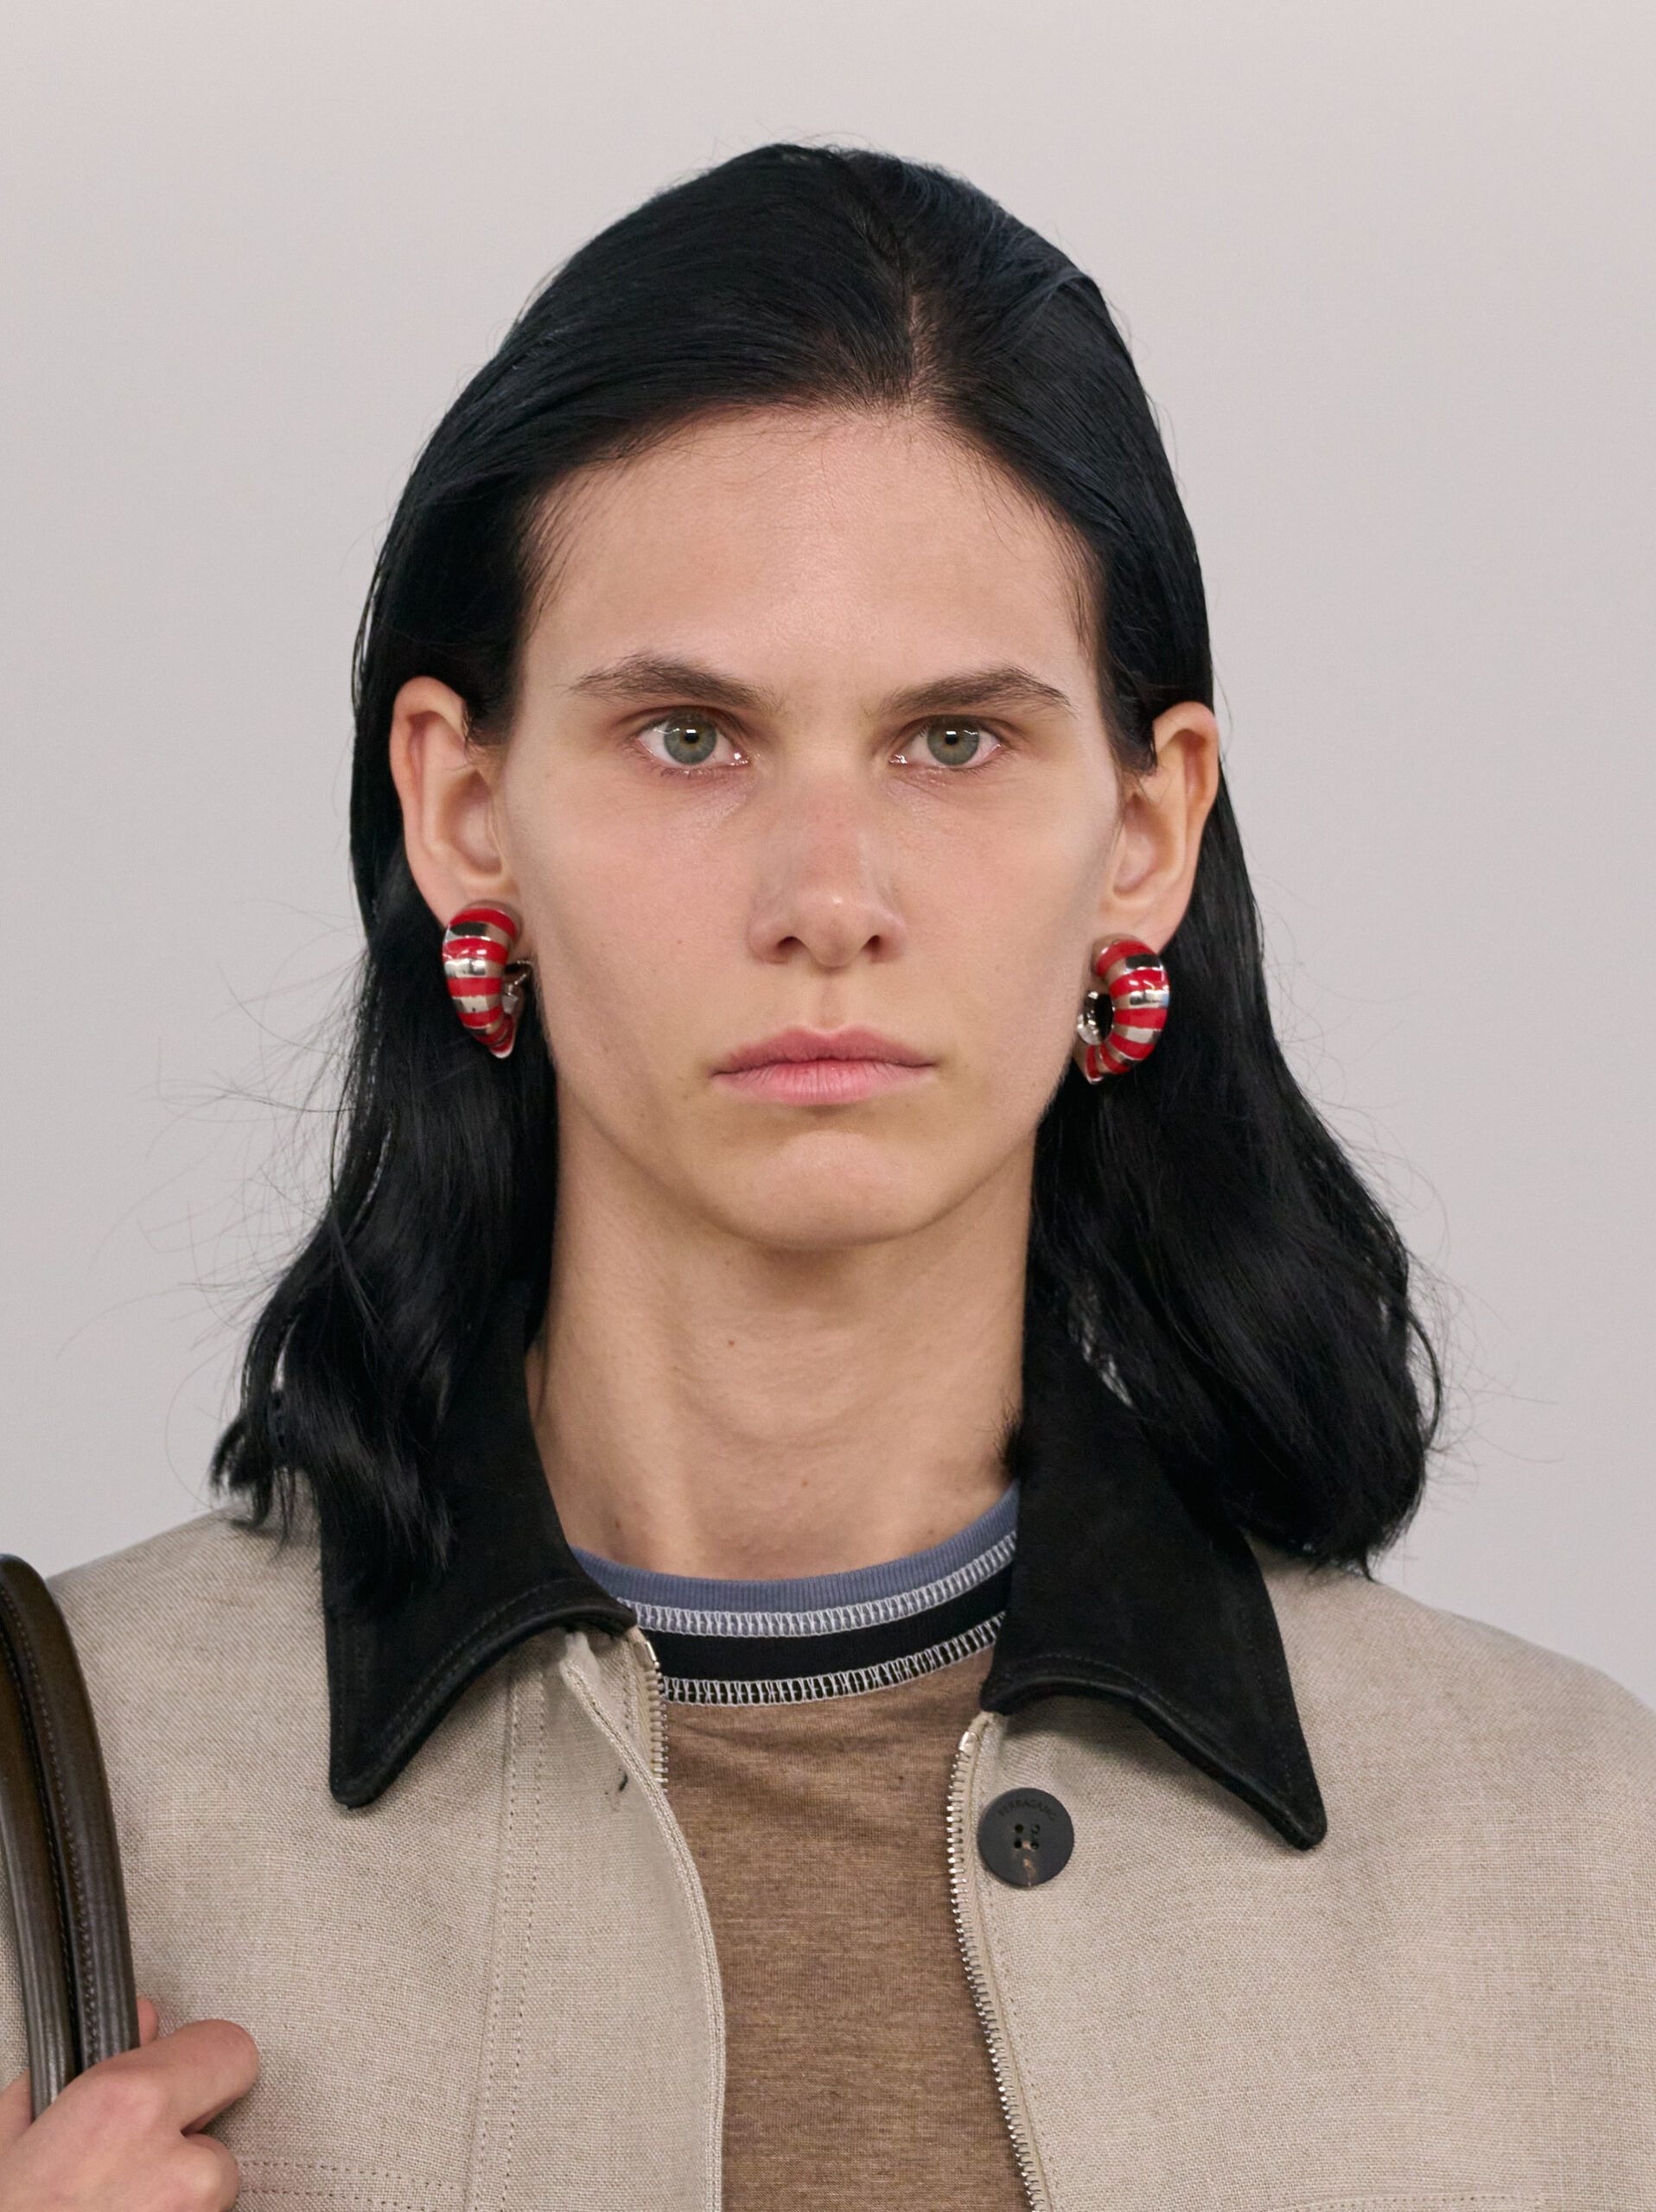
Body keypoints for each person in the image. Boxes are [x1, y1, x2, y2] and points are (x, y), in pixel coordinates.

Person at [2, 143, 1651, 2212]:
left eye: (953, 740)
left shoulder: (1581, 1871)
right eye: (689, 734)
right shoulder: (69, 1801)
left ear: (1145, 833)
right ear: (464, 805)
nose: (828, 895)